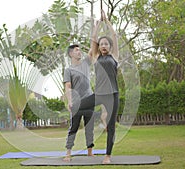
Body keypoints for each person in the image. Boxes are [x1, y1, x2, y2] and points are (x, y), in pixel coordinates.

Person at [72, 11, 120, 164]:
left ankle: (108, 156)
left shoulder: (114, 56)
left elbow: (115, 37)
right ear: (99, 47)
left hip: (112, 95)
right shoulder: (95, 57)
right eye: (102, 44)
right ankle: (98, 119)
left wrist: (108, 22)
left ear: (109, 46)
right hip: (99, 94)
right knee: (77, 107)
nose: (104, 45)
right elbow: (93, 40)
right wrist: (98, 24)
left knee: (111, 127)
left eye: (106, 44)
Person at [63, 44, 95, 162]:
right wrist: (70, 101)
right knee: (74, 128)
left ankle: (90, 152)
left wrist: (95, 28)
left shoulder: (85, 63)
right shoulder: (69, 70)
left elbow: (92, 50)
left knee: (89, 128)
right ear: (71, 54)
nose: (79, 52)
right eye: (76, 50)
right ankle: (68, 153)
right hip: (77, 103)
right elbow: (68, 87)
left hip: (89, 100)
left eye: (80, 50)